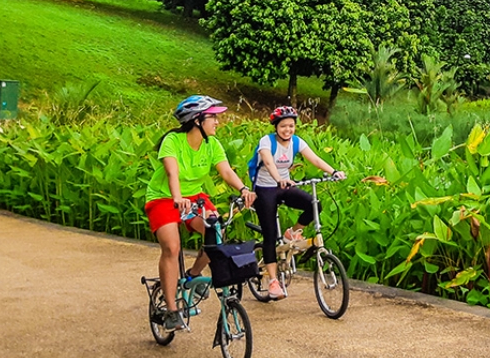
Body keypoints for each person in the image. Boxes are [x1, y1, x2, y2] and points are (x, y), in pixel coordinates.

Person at [145, 95, 255, 331]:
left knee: (215, 235)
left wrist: (244, 189)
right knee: (172, 247)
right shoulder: (173, 141)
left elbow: (225, 171)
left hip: (195, 196)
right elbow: (172, 173)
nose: (218, 122)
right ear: (197, 120)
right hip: (164, 197)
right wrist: (177, 198)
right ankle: (172, 310)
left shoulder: (212, 144)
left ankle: (194, 275)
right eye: (213, 117)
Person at [253, 105, 344, 300]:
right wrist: (279, 179)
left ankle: (292, 232)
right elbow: (268, 163)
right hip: (264, 188)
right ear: (276, 127)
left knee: (314, 204)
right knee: (269, 234)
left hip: (284, 185)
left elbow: (316, 160)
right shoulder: (266, 142)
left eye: (291, 126)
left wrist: (333, 172)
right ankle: (273, 281)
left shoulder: (296, 142)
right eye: (284, 126)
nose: (288, 130)